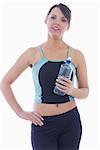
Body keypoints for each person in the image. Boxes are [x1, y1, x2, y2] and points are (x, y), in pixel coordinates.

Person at [0, 3, 89, 150]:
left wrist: (72, 90)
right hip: (43, 124)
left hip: (70, 122)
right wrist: (20, 112)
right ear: (45, 20)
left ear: (68, 26)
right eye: (53, 17)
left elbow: (85, 91)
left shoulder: (76, 55)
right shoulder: (33, 53)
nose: (57, 23)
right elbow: (5, 82)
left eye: (63, 20)